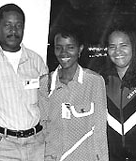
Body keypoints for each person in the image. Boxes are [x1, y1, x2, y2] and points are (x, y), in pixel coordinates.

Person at [0, 3, 48, 161]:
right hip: (2, 146)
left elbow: (46, 101)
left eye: (18, 25)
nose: (14, 31)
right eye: (8, 25)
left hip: (36, 144)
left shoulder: (36, 61)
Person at [38, 27, 109, 161]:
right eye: (59, 48)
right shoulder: (45, 83)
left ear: (80, 49)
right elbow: (43, 129)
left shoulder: (94, 81)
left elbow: (99, 130)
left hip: (84, 157)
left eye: (70, 47)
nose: (64, 53)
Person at [99, 25, 136, 161]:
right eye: (112, 46)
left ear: (134, 47)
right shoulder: (102, 80)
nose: (117, 51)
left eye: (123, 45)